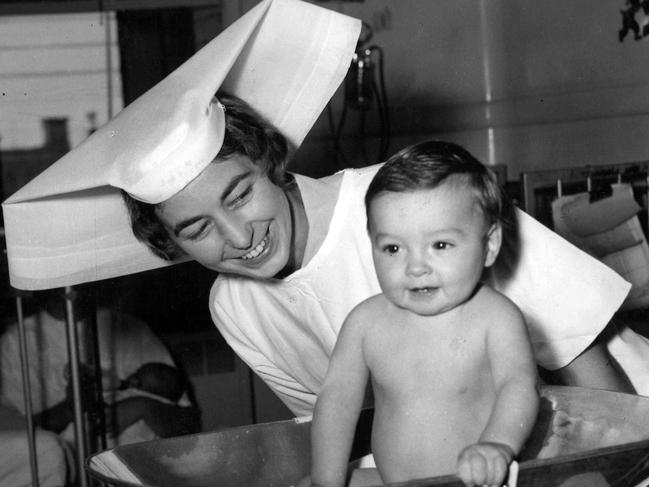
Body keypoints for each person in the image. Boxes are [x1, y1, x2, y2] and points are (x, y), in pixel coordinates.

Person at [122, 92, 635, 420]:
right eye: (197, 228)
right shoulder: (235, 308)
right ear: (172, 243)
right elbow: (341, 431)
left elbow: (583, 357)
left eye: (239, 195)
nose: (237, 236)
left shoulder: (416, 197)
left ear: (267, 160)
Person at [308, 141, 539, 487]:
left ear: (489, 245)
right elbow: (336, 401)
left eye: (440, 245)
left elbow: (518, 386)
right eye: (393, 248)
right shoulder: (365, 323)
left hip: (475, 482)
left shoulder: (495, 318)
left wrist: (497, 445)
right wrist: (326, 480)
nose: (415, 266)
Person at [0, 285, 200, 451]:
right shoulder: (17, 343)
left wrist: (143, 407)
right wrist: (72, 406)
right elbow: (17, 440)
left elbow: (188, 425)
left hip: (147, 465)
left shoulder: (128, 327)